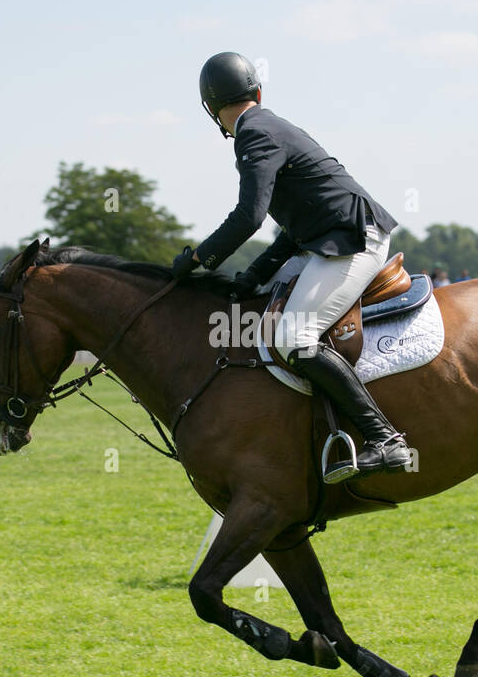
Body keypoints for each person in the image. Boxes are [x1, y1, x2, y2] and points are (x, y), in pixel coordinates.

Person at [169, 51, 410, 478]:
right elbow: (293, 226)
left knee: (295, 338)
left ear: (211, 109)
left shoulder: (254, 134)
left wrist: (197, 260)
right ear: (257, 92)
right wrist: (253, 276)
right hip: (329, 239)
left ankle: (385, 440)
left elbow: (249, 216)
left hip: (352, 241)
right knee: (260, 304)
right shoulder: (268, 124)